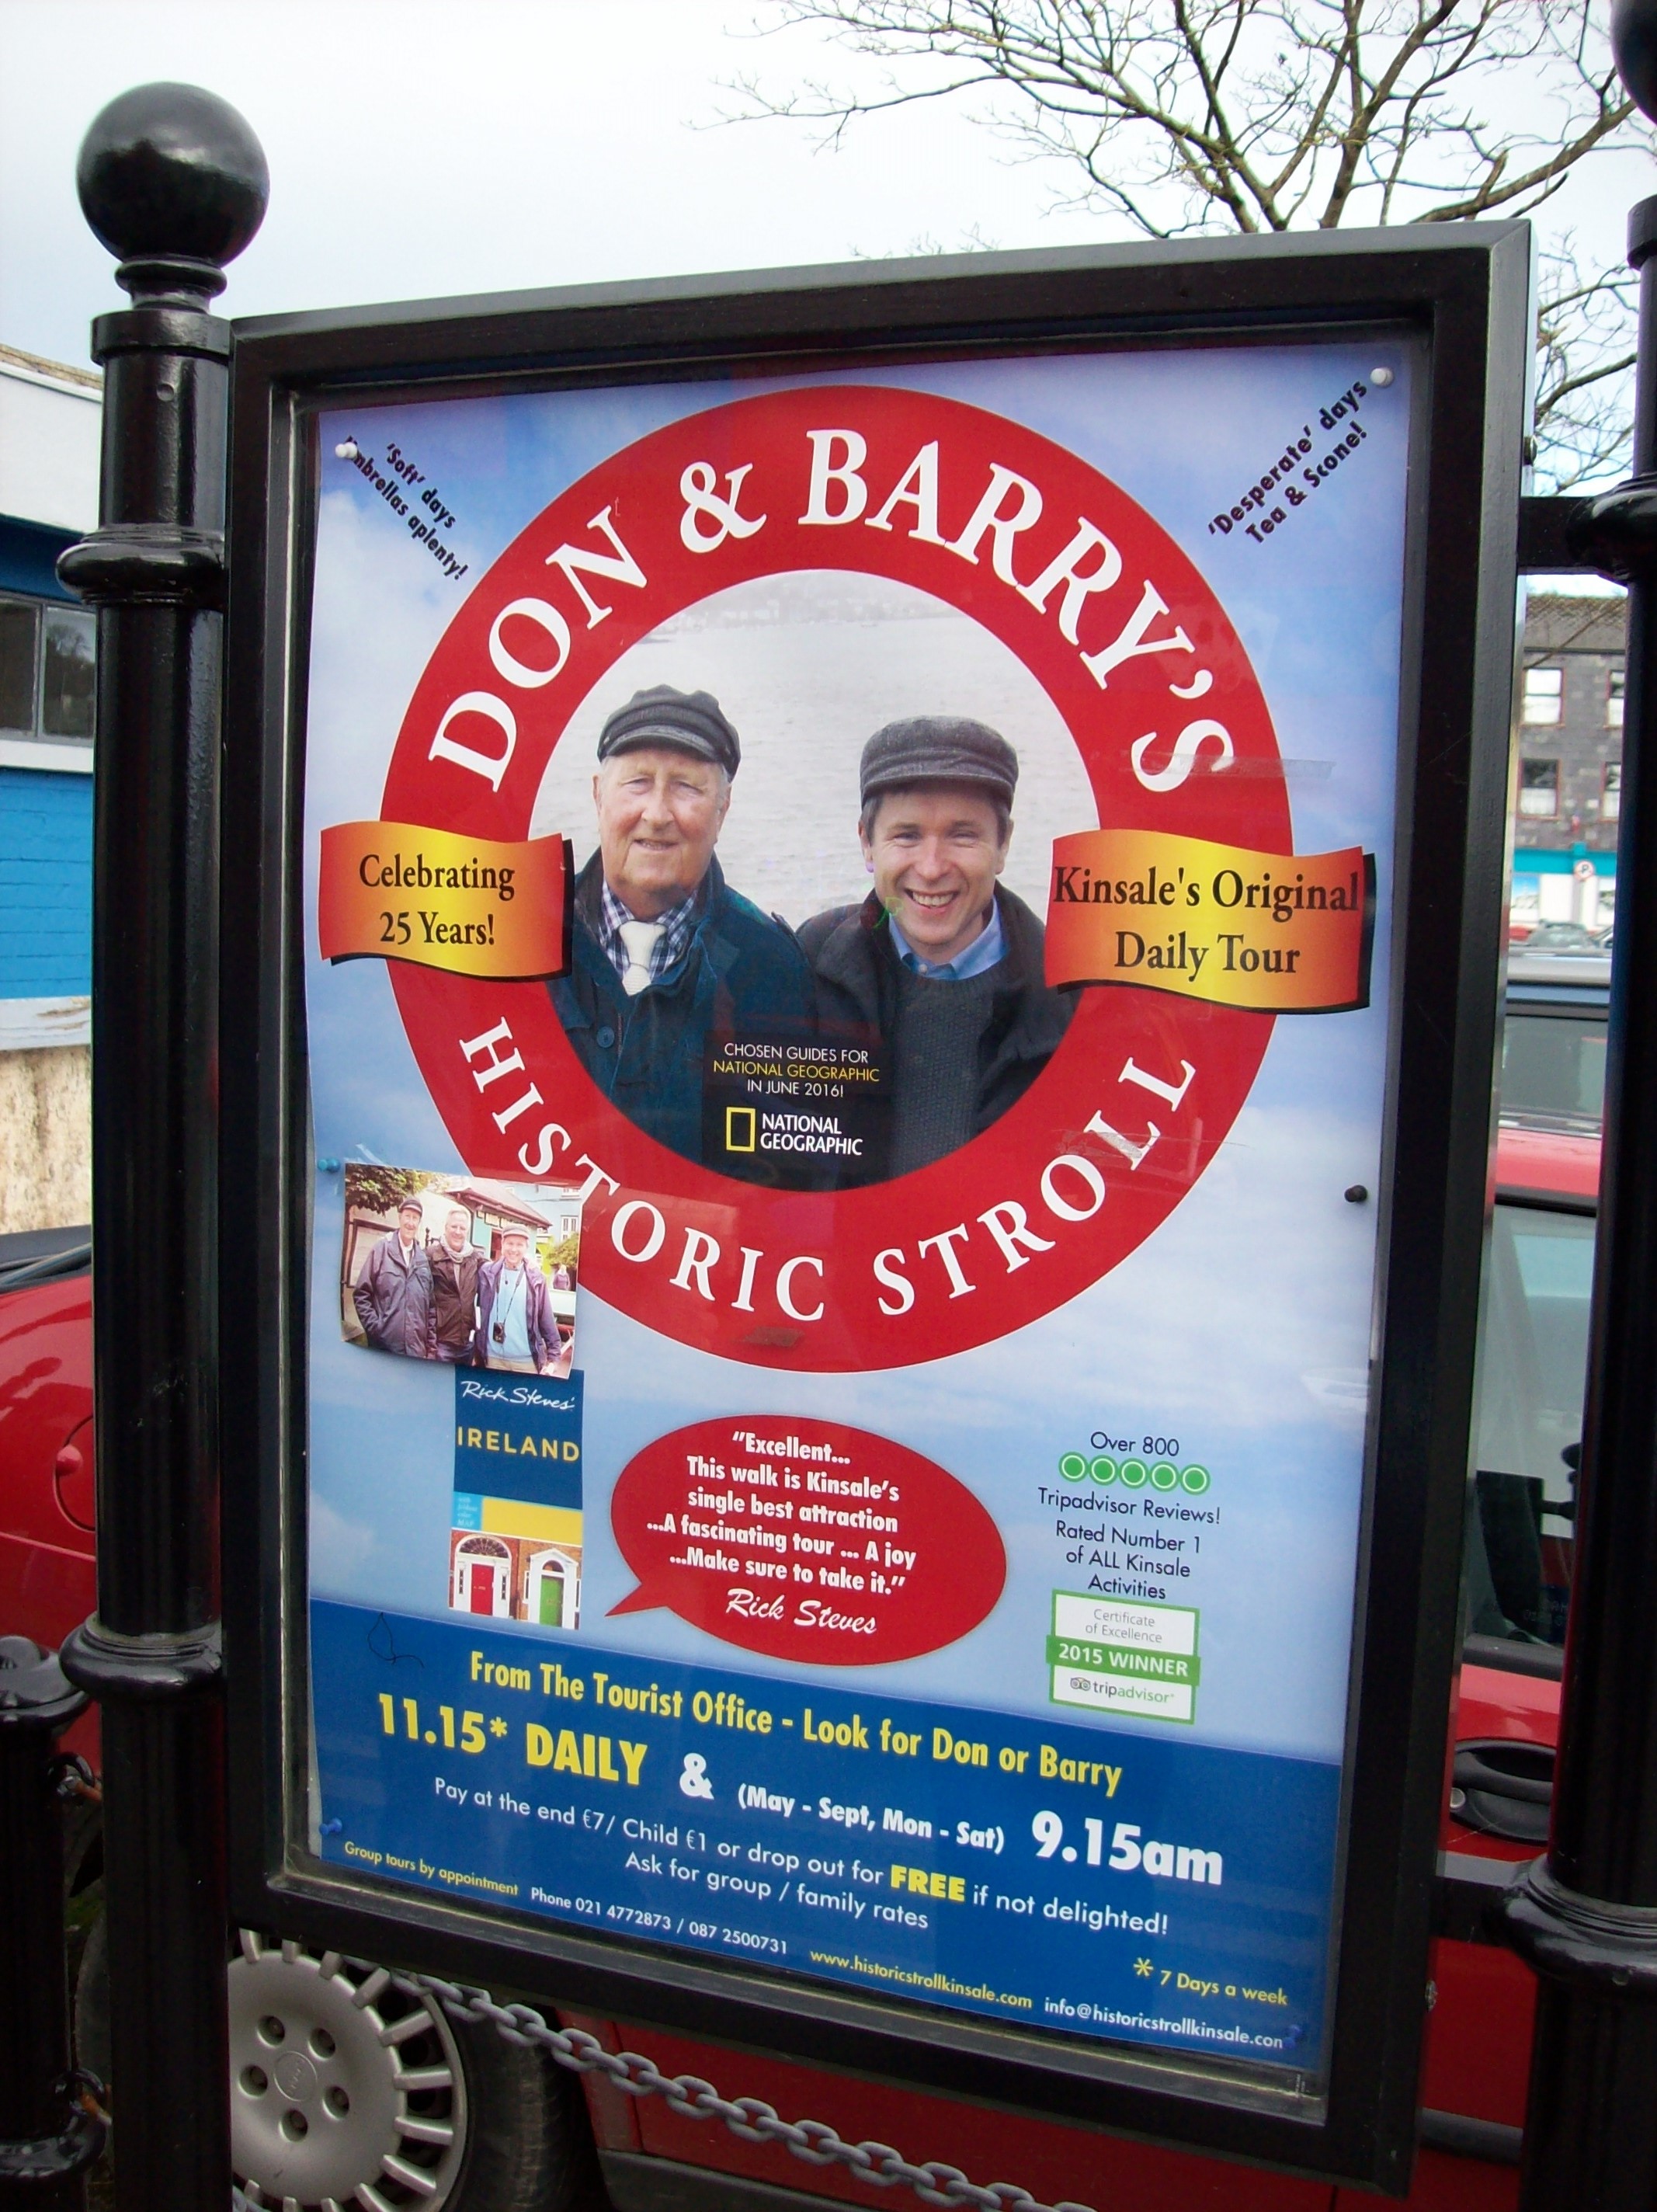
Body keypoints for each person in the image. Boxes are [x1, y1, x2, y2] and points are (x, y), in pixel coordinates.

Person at [550, 685, 815, 1163]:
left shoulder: (771, 965)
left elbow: (788, 1166)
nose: (656, 815)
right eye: (637, 783)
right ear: (598, 795)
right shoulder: (519, 940)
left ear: (723, 810)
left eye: (686, 787)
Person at [799, 717, 1073, 1178]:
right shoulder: (807, 962)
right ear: (867, 844)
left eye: (962, 835)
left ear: (1003, 844)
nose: (930, 868)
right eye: (906, 835)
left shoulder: (1075, 998)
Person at [351, 1195, 435, 1358]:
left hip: (416, 1352)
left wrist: (431, 1347)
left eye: (415, 1218)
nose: (410, 1223)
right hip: (385, 1350)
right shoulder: (381, 1250)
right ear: (400, 1217)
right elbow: (362, 1294)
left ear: (419, 1223)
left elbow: (430, 1307)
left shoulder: (423, 1259)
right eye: (407, 1216)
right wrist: (376, 1329)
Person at [474, 1228, 561, 1375]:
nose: (514, 1249)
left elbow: (546, 1318)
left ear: (527, 1247)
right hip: (491, 1360)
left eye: (519, 1245)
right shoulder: (486, 1273)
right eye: (510, 1243)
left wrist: (554, 1357)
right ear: (502, 1244)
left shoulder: (536, 1279)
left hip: (526, 1363)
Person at [428, 1205, 481, 1364]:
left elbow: (497, 1270)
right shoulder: (430, 1256)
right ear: (445, 1228)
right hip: (440, 1343)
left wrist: (526, 1262)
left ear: (467, 1232)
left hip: (466, 1344)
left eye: (462, 1228)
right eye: (454, 1226)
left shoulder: (475, 1259)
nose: (458, 1232)